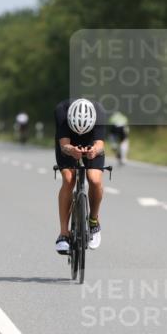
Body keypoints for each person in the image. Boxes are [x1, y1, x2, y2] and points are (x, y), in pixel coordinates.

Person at [54, 98, 106, 254]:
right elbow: (63, 145)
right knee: (69, 179)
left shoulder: (99, 111)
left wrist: (94, 151)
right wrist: (72, 150)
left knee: (95, 179)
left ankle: (93, 221)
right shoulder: (61, 111)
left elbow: (100, 144)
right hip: (69, 143)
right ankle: (64, 233)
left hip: (91, 141)